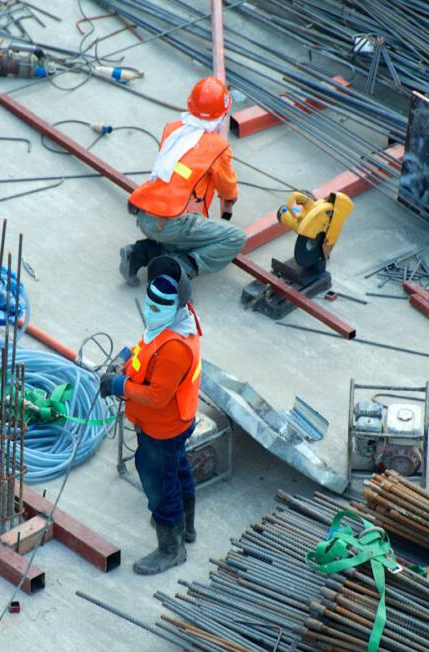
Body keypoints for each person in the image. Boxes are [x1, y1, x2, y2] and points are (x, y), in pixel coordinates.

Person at [100, 256, 202, 575]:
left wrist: (118, 385)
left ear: (177, 304)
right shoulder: (175, 321)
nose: (151, 309)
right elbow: (146, 349)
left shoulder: (175, 348)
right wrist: (125, 359)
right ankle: (185, 528)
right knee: (178, 470)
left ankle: (172, 550)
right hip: (176, 422)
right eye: (150, 302)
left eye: (159, 305)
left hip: (162, 429)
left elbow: (157, 397)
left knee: (160, 486)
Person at [120, 76, 246, 286]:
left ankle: (138, 254)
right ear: (222, 115)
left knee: (184, 233)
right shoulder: (218, 147)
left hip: (144, 212)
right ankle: (180, 267)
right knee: (234, 237)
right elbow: (227, 188)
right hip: (171, 221)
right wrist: (229, 205)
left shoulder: (172, 129)